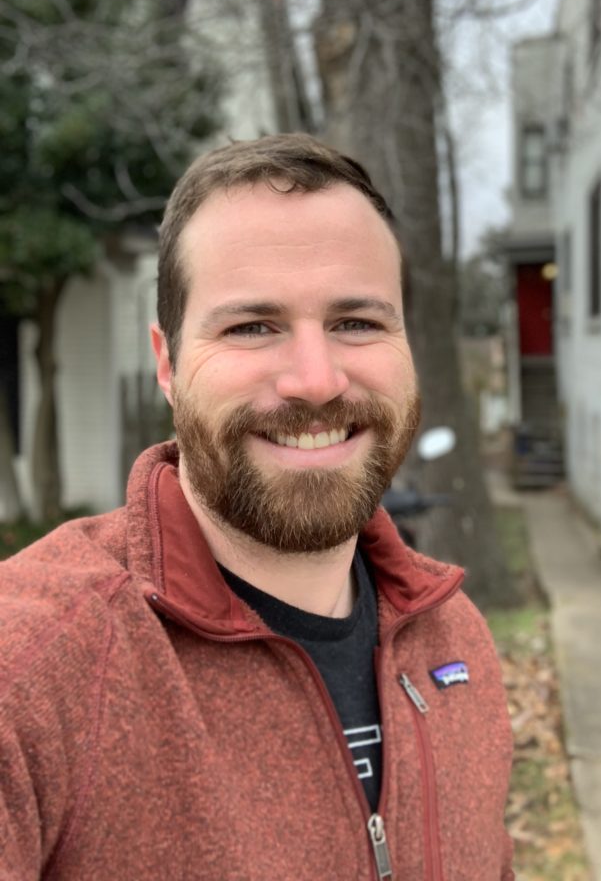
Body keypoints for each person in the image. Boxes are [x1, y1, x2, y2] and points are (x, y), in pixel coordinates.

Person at [0, 134, 514, 880]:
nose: (315, 379)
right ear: (168, 365)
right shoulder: (34, 670)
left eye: (356, 322)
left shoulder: (452, 642)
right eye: (253, 327)